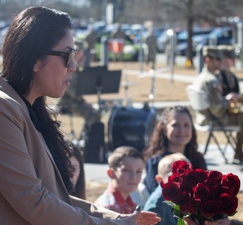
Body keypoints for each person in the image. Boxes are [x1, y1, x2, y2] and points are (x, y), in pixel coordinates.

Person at [0, 6, 161, 225]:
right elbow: (34, 202)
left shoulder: (28, 109)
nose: (74, 66)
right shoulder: (4, 109)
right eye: (67, 56)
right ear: (35, 59)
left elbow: (58, 198)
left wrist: (119, 217)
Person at [191, 46, 243, 162]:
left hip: (203, 118)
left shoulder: (200, 77)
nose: (221, 61)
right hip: (214, 120)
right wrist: (228, 100)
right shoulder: (211, 80)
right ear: (208, 60)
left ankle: (241, 153)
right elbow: (217, 109)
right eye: (218, 59)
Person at [143, 105, 207, 195]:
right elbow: (153, 195)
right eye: (175, 125)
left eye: (186, 125)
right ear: (165, 129)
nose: (182, 130)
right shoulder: (155, 162)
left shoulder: (197, 159)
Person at [95, 146, 145, 214]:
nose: (134, 177)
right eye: (126, 170)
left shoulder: (131, 204)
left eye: (138, 171)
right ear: (111, 173)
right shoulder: (109, 208)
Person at [143, 153, 190, 225]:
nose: (182, 181)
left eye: (187, 176)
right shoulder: (157, 202)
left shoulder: (185, 196)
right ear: (160, 180)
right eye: (175, 178)